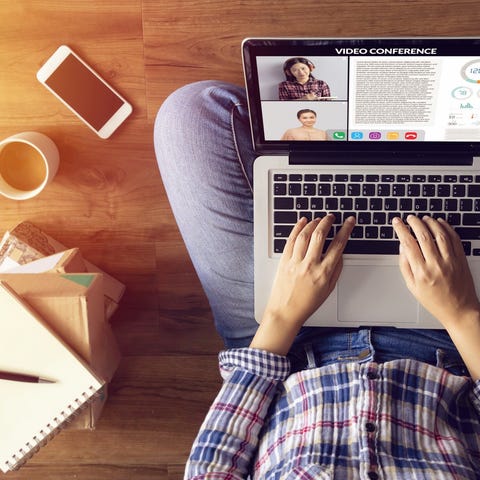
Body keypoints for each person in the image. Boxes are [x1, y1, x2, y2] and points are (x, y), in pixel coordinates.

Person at [154, 81, 480, 479]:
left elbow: (219, 454)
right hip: (448, 342)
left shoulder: (281, 324)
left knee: (193, 113)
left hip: (284, 343)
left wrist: (282, 315)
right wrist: (462, 313)